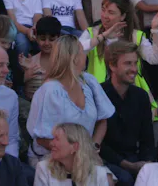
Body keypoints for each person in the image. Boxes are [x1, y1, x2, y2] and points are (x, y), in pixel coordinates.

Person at [26, 36, 114, 165]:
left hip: (85, 157)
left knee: (113, 178)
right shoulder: (50, 90)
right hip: (51, 158)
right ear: (74, 58)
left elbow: (102, 121)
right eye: (82, 52)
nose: (86, 56)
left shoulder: (89, 81)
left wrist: (93, 148)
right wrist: (77, 154)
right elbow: (41, 139)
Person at [98, 41, 156, 186]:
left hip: (134, 157)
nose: (134, 69)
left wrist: (146, 163)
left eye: (135, 63)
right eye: (128, 63)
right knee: (125, 180)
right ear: (112, 66)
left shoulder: (141, 96)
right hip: (106, 159)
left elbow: (147, 137)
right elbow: (98, 142)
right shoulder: (99, 94)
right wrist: (126, 164)